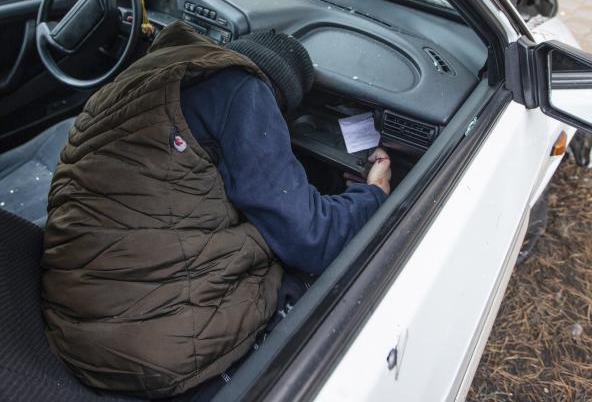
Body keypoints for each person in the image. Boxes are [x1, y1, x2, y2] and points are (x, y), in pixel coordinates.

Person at [41, 21, 391, 399]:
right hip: (145, 347)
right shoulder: (243, 87)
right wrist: (372, 194)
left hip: (72, 320)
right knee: (304, 274)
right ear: (276, 92)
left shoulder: (148, 74)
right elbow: (311, 239)